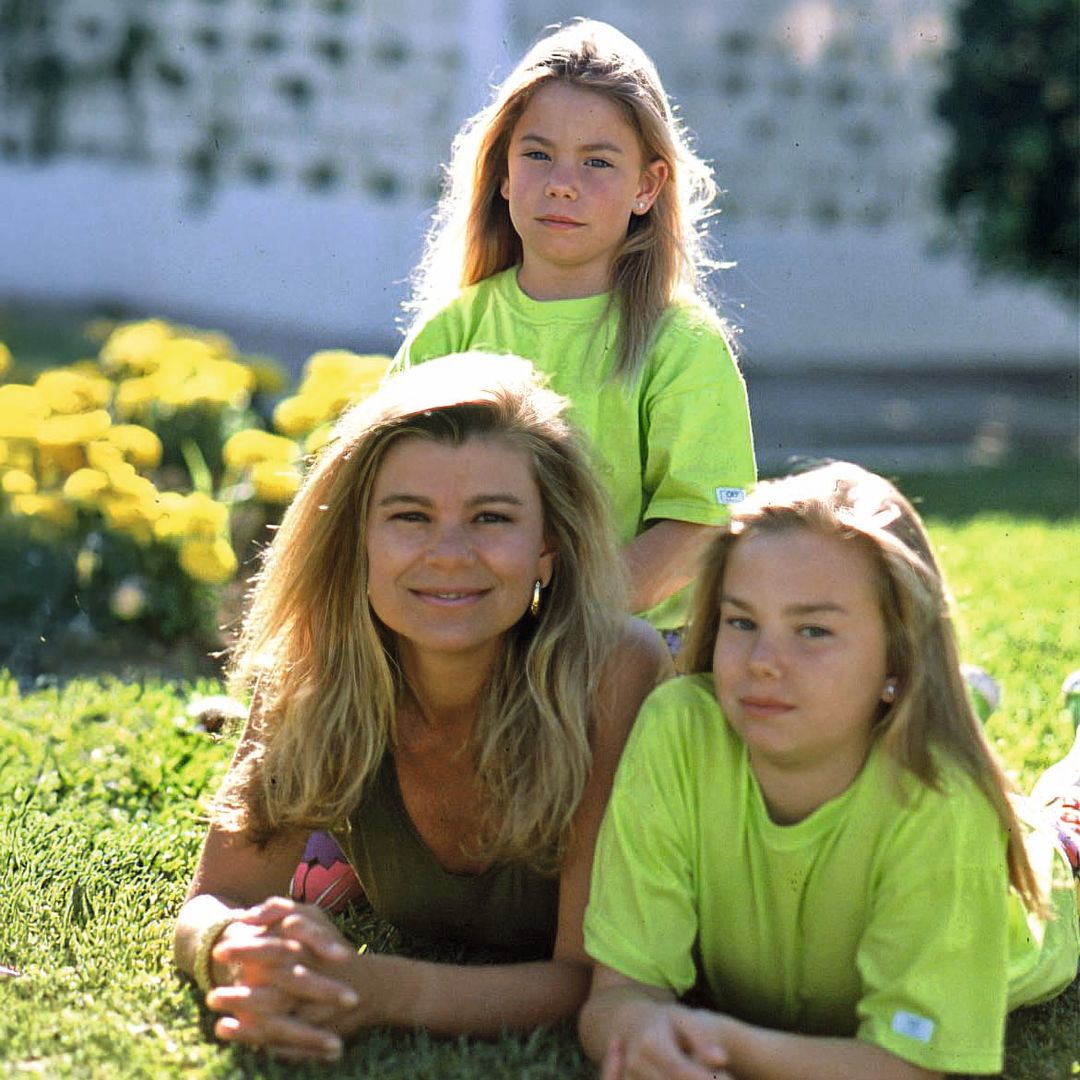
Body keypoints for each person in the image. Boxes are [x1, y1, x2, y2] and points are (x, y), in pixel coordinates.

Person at [173, 353, 670, 1061]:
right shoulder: (312, 664)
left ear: (547, 547)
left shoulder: (615, 670)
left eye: (491, 518)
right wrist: (234, 955)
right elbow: (216, 899)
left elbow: (590, 978)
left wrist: (377, 990)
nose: (448, 553)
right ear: (358, 538)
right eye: (410, 516)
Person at [578, 461, 1080, 1079]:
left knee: (1061, 827)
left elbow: (908, 1067)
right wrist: (639, 1030)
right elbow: (617, 994)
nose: (763, 661)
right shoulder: (680, 727)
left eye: (813, 630)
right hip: (886, 715)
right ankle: (959, 700)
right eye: (742, 622)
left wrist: (722, 1045)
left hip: (1040, 887)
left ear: (900, 655)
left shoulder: (942, 801)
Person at [392, 17, 756, 641]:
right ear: (503, 173)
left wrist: (561, 621)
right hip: (470, 632)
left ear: (647, 185)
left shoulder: (682, 343)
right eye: (537, 154)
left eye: (597, 162)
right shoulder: (449, 333)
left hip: (630, 642)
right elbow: (387, 497)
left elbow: (702, 522)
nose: (562, 184)